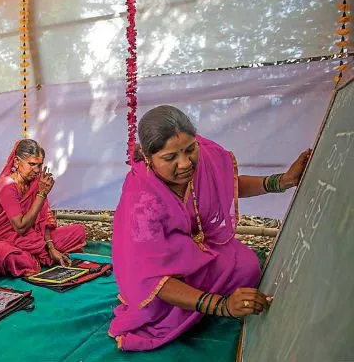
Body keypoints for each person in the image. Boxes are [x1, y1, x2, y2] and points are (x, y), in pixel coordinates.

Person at [108, 105, 311, 351]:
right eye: (170, 158)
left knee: (247, 266)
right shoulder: (140, 201)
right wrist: (222, 306)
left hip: (190, 249)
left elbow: (225, 184)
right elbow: (153, 280)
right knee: (161, 312)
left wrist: (281, 181)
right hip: (157, 276)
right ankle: (189, 308)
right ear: (148, 158)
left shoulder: (202, 155)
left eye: (189, 150)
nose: (185, 164)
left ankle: (197, 294)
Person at [0, 139, 87, 277]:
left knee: (78, 231)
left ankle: (40, 254)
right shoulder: (7, 186)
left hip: (30, 237)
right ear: (17, 161)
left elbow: (43, 222)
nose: (36, 170)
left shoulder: (36, 182)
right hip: (0, 239)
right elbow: (20, 227)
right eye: (31, 164)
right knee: (13, 257)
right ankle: (35, 257)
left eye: (39, 165)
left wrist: (51, 247)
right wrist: (42, 194)